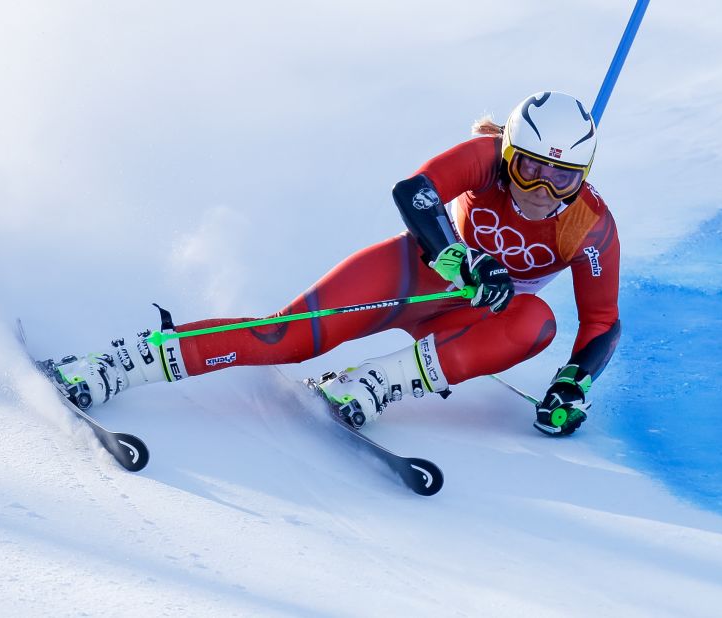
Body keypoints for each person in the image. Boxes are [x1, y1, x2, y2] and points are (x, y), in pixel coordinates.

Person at [42, 91, 620, 436]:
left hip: (466, 322)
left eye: (564, 175)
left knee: (536, 321)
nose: (544, 188)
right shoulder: (485, 158)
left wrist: (573, 383)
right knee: (286, 339)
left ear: (584, 175)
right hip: (412, 279)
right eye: (529, 169)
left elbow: (601, 322)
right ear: (509, 154)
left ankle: (374, 383)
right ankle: (122, 362)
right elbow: (414, 191)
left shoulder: (589, 226)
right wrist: (459, 256)